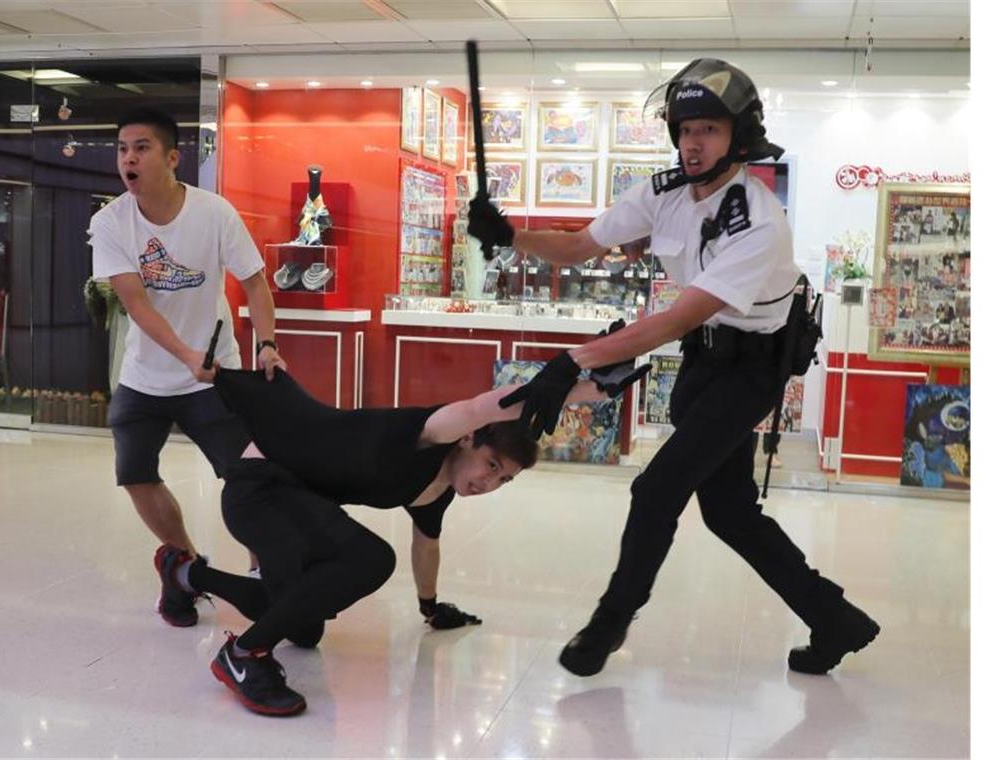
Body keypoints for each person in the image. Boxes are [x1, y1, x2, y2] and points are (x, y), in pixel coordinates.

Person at [467, 58, 879, 678]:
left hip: (749, 372)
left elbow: (672, 320)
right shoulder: (663, 192)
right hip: (704, 363)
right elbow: (583, 244)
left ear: (739, 136)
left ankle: (609, 622)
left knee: (656, 488)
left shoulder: (759, 220)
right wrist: (511, 236)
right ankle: (837, 619)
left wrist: (571, 359)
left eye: (708, 129)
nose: (692, 142)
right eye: (685, 128)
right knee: (730, 512)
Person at [154, 364, 643, 716]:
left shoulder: (436, 493)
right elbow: (478, 406)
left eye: (503, 482)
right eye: (492, 467)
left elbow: (426, 545)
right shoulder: (430, 434)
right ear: (471, 439)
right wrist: (584, 389)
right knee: (370, 558)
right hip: (260, 488)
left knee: (303, 625)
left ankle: (185, 573)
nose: (488, 484)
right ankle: (242, 655)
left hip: (291, 502)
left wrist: (430, 608)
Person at [89, 107, 286, 627]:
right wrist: (184, 355)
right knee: (135, 474)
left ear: (173, 158)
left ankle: (265, 574)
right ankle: (185, 565)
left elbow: (256, 284)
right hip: (145, 376)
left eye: (141, 148)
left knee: (248, 476)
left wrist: (266, 343)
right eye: (122, 149)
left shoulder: (214, 213)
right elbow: (138, 306)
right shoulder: (110, 222)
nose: (128, 158)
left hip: (216, 374)